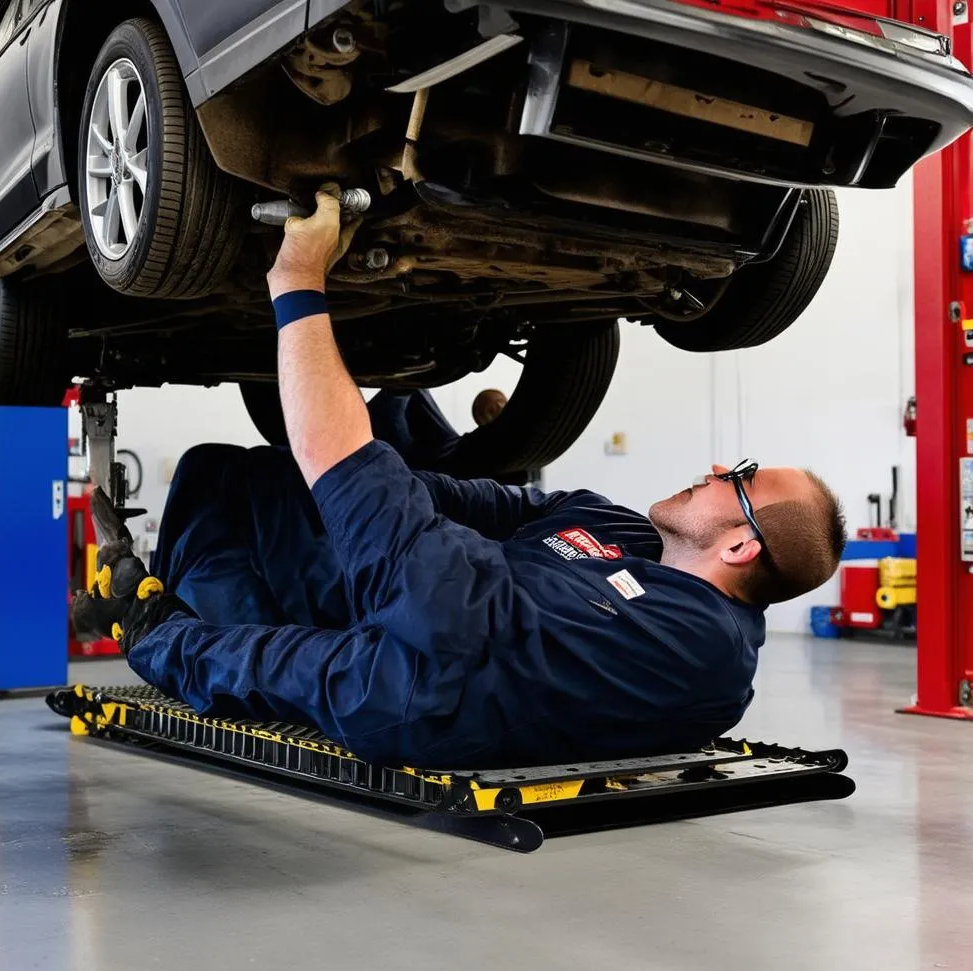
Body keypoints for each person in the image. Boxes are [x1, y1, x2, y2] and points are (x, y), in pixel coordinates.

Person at [72, 189, 847, 770]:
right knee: (246, 470)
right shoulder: (629, 537)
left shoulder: (699, 646)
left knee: (240, 647)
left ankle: (151, 620)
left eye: (739, 476)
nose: (716, 468)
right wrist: (386, 476)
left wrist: (299, 282)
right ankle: (172, 597)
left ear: (742, 544)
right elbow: (490, 504)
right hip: (432, 610)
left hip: (418, 691)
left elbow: (445, 602)